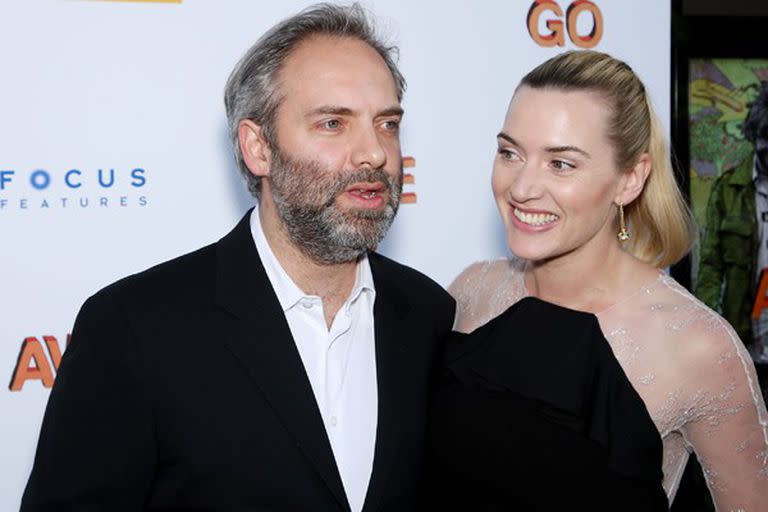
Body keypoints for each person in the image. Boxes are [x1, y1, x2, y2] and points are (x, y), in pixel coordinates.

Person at [21, 4, 454, 511]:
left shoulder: (427, 315)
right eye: (334, 123)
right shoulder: (133, 329)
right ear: (258, 147)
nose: (375, 154)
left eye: (387, 124)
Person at [426, 51, 768, 511]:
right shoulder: (471, 292)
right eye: (510, 153)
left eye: (560, 164)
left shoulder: (697, 347)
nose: (522, 187)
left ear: (630, 179)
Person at [697, 81, 768, 363]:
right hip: (745, 338)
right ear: (754, 136)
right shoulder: (727, 190)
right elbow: (711, 266)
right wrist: (704, 328)